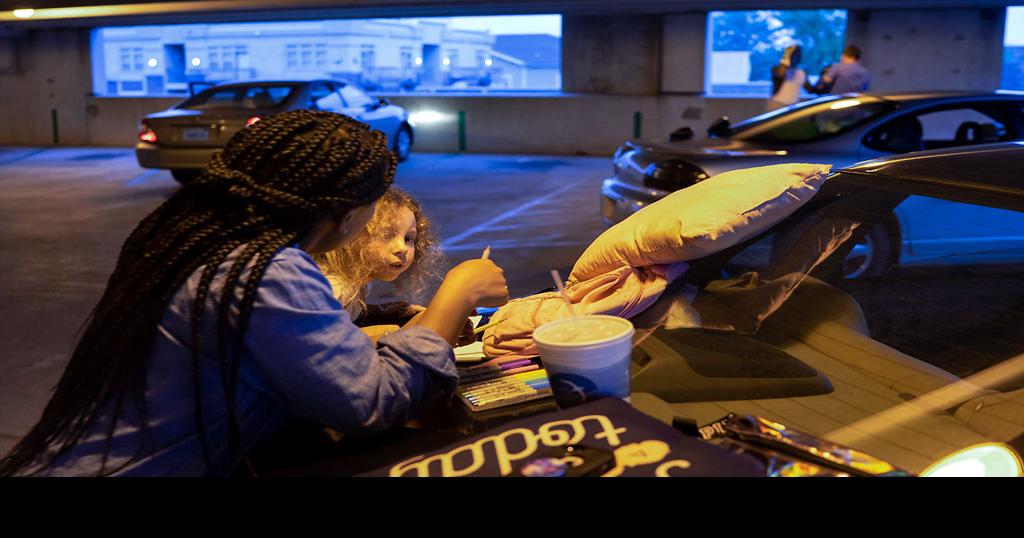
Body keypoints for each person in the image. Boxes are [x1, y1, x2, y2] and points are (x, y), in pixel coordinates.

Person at [0, 110, 509, 476]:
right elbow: (369, 403)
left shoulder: (216, 247)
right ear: (343, 210)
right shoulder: (266, 272)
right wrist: (456, 296)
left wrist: (390, 317)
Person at [314, 186, 467, 345]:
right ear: (354, 236)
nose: (402, 248)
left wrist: (388, 312)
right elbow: (321, 343)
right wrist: (386, 334)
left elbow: (349, 316)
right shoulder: (334, 287)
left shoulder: (355, 282)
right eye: (386, 236)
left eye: (408, 238)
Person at [767, 45, 808, 111]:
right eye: (794, 54)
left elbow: (811, 89)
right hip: (778, 103)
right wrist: (787, 55)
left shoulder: (801, 72)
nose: (796, 57)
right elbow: (781, 74)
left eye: (798, 54)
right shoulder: (778, 69)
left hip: (793, 105)